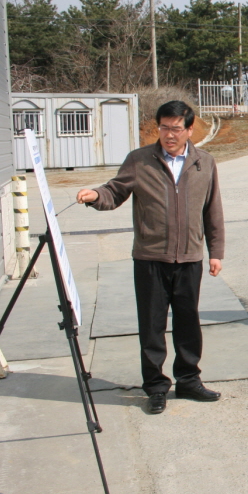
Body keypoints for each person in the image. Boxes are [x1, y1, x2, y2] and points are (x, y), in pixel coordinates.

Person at [76, 101, 224, 415]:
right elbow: (114, 191)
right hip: (150, 258)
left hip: (189, 259)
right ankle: (156, 387)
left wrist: (216, 252)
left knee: (188, 323)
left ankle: (188, 381)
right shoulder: (140, 160)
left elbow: (213, 211)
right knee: (152, 326)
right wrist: (94, 196)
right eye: (164, 127)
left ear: (189, 129)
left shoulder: (204, 162)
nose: (169, 135)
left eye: (176, 128)